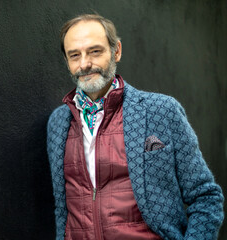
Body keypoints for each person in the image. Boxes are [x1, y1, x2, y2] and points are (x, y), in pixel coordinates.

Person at [47, 14, 224, 240]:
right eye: (75, 55)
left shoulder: (162, 111)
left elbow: (206, 197)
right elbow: (63, 209)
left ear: (116, 51)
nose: (85, 64)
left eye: (95, 51)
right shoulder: (58, 123)